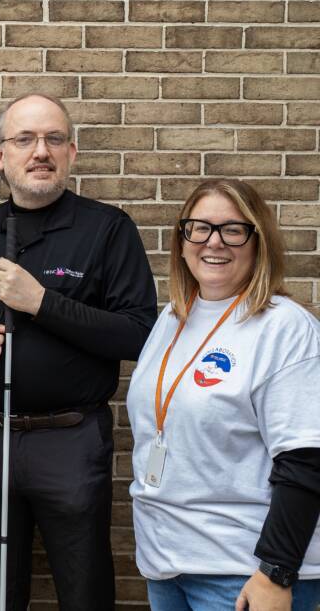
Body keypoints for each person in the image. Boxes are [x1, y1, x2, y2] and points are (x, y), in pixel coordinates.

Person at [0, 93, 158, 611]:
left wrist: (41, 303)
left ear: (72, 153)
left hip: (71, 442)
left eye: (54, 139)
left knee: (83, 588)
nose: (40, 151)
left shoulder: (107, 229)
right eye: (25, 139)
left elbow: (139, 333)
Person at [128, 179, 320, 611]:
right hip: (167, 565)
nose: (213, 242)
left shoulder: (285, 328)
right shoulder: (174, 317)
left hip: (242, 574)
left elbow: (306, 461)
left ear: (259, 241)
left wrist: (276, 572)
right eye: (199, 228)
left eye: (233, 230)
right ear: (181, 242)